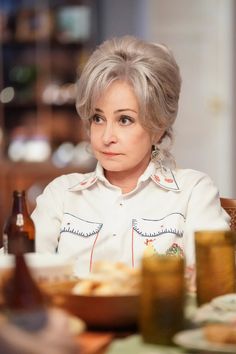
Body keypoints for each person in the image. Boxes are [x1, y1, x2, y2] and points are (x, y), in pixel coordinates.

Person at [31, 35, 230, 279]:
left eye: (124, 120)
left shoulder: (194, 192)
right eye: (97, 118)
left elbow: (214, 276)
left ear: (158, 127)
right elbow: (21, 268)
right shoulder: (61, 195)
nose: (106, 137)